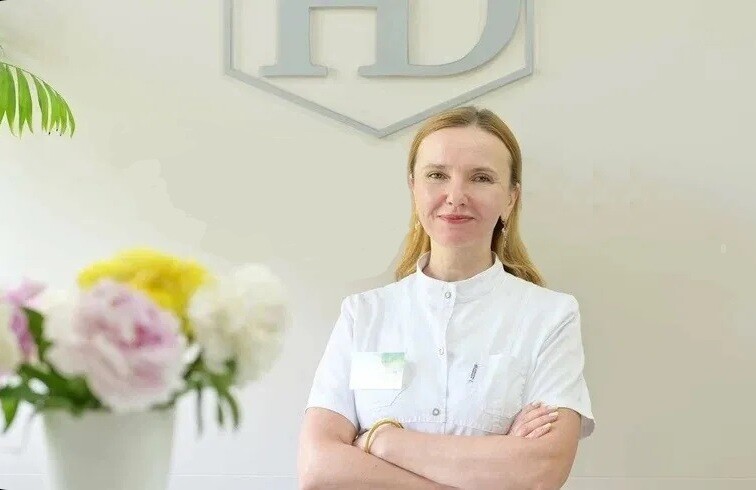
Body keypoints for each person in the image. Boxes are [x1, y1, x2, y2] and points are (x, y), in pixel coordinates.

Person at [298, 106, 595, 490]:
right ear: (413, 187)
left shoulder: (550, 316)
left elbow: (541, 471)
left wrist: (381, 440)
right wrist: (494, 464)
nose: (456, 196)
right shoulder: (363, 314)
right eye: (437, 175)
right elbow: (318, 468)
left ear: (510, 198)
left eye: (481, 178)